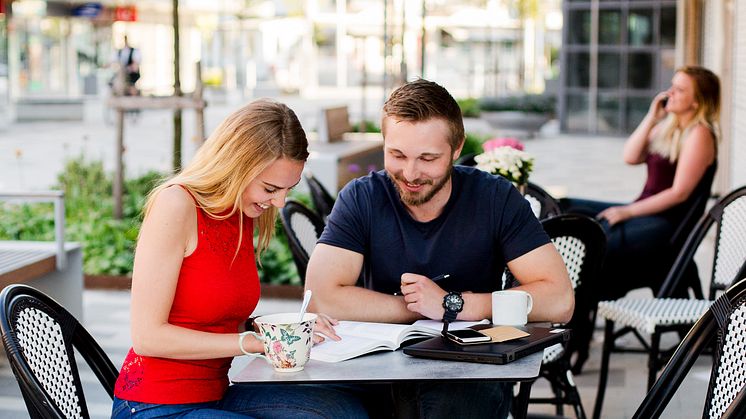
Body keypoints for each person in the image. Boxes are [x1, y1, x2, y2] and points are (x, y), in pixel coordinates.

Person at [305, 79, 574, 419]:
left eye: (428, 158)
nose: (411, 173)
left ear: (457, 148)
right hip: (379, 366)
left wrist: (453, 304)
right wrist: (418, 309)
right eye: (397, 155)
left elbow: (559, 300)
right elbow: (322, 297)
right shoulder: (362, 198)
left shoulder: (495, 198)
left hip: (471, 370)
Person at [111, 100, 368, 418]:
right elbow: (147, 337)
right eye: (271, 188)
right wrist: (256, 343)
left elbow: (215, 316)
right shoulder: (176, 204)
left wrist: (281, 328)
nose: (280, 202)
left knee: (344, 410)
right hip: (155, 406)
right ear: (236, 166)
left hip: (215, 394)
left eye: (288, 189)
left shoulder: (241, 212)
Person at [559, 66, 720, 300]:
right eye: (672, 86)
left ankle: (579, 308)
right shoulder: (668, 127)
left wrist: (628, 211)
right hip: (646, 212)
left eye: (680, 89)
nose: (669, 93)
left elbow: (679, 193)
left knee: (596, 237)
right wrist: (652, 117)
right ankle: (572, 297)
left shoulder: (700, 134)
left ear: (697, 101)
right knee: (568, 209)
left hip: (667, 224)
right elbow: (631, 156)